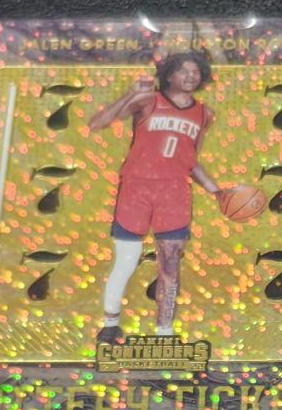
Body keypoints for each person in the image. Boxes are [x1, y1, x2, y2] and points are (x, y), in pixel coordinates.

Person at [85, 52, 223, 345]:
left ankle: (164, 331)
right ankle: (110, 323)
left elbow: (190, 160)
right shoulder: (147, 101)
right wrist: (130, 94)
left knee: (170, 265)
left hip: (174, 193)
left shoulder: (204, 114)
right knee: (126, 260)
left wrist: (216, 191)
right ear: (169, 75)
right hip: (136, 189)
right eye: (183, 70)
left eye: (196, 71)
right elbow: (97, 123)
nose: (190, 76)